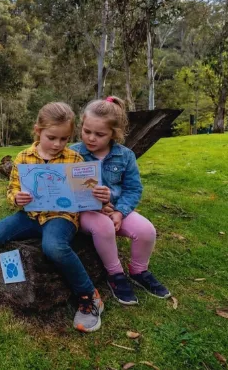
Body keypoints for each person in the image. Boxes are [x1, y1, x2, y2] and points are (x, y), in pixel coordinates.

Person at [0, 102, 104, 333]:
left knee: (54, 247)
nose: (58, 144)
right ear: (38, 131)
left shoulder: (75, 159)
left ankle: (88, 295)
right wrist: (17, 198)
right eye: (52, 137)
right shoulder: (23, 157)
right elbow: (11, 190)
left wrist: (95, 195)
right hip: (31, 215)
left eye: (64, 139)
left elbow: (84, 194)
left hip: (61, 217)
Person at [70, 96, 170, 306]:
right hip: (86, 213)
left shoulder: (125, 156)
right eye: (86, 131)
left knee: (146, 230)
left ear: (113, 134)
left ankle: (138, 271)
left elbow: (133, 189)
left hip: (116, 210)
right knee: (104, 226)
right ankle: (115, 275)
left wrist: (120, 212)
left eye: (100, 134)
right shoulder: (72, 154)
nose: (91, 138)